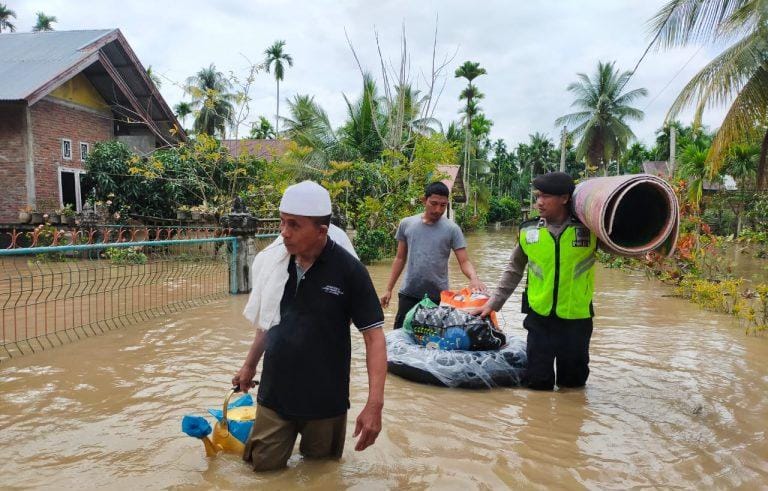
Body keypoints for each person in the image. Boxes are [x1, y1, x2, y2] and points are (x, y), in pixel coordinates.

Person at [233, 180, 387, 471]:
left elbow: (374, 338)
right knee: (262, 471)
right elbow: (267, 322)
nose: (284, 232)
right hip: (276, 392)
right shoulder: (275, 265)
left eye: (294, 224)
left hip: (326, 399)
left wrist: (374, 405)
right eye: (282, 222)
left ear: (321, 231)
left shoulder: (349, 271)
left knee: (322, 473)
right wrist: (249, 366)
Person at [476, 172, 597, 391]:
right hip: (540, 319)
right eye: (537, 196)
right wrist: (493, 304)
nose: (539, 202)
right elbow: (514, 270)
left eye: (546, 196)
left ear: (564, 198)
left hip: (577, 320)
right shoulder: (528, 231)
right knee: (538, 384)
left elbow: (622, 245)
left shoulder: (590, 230)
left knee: (573, 386)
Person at [380, 181, 486, 329]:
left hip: (438, 297)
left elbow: (464, 261)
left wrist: (474, 278)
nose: (438, 209)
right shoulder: (406, 224)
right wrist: (388, 289)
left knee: (432, 338)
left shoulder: (452, 229)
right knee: (401, 335)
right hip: (409, 293)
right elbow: (400, 258)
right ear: (424, 200)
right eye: (434, 203)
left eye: (443, 205)